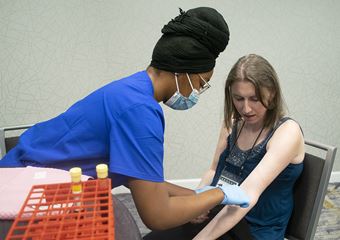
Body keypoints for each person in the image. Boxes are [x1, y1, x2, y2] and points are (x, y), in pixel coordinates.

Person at [0, 7, 250, 233]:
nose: (197, 92)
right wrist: (219, 194)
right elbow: (157, 216)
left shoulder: (131, 89)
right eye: (201, 83)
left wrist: (195, 196)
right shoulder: (140, 112)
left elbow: (139, 179)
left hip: (21, 176)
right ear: (182, 73)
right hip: (24, 202)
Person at [144, 54, 305, 240]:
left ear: (273, 93)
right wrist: (195, 205)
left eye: (254, 99)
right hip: (221, 213)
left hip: (255, 229)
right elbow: (213, 171)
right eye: (238, 98)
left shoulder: (287, 132)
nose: (246, 109)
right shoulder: (233, 121)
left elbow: (247, 196)